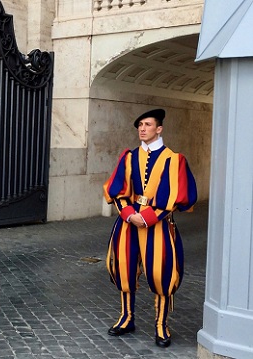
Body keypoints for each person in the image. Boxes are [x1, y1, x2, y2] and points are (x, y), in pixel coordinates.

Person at [102, 109, 197, 348]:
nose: (142, 129)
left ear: (159, 129)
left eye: (147, 124)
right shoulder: (129, 157)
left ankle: (161, 325)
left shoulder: (173, 159)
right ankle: (127, 318)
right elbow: (118, 190)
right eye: (140, 125)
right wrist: (127, 213)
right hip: (128, 221)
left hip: (158, 224)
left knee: (161, 272)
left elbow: (172, 196)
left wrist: (144, 218)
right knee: (123, 267)